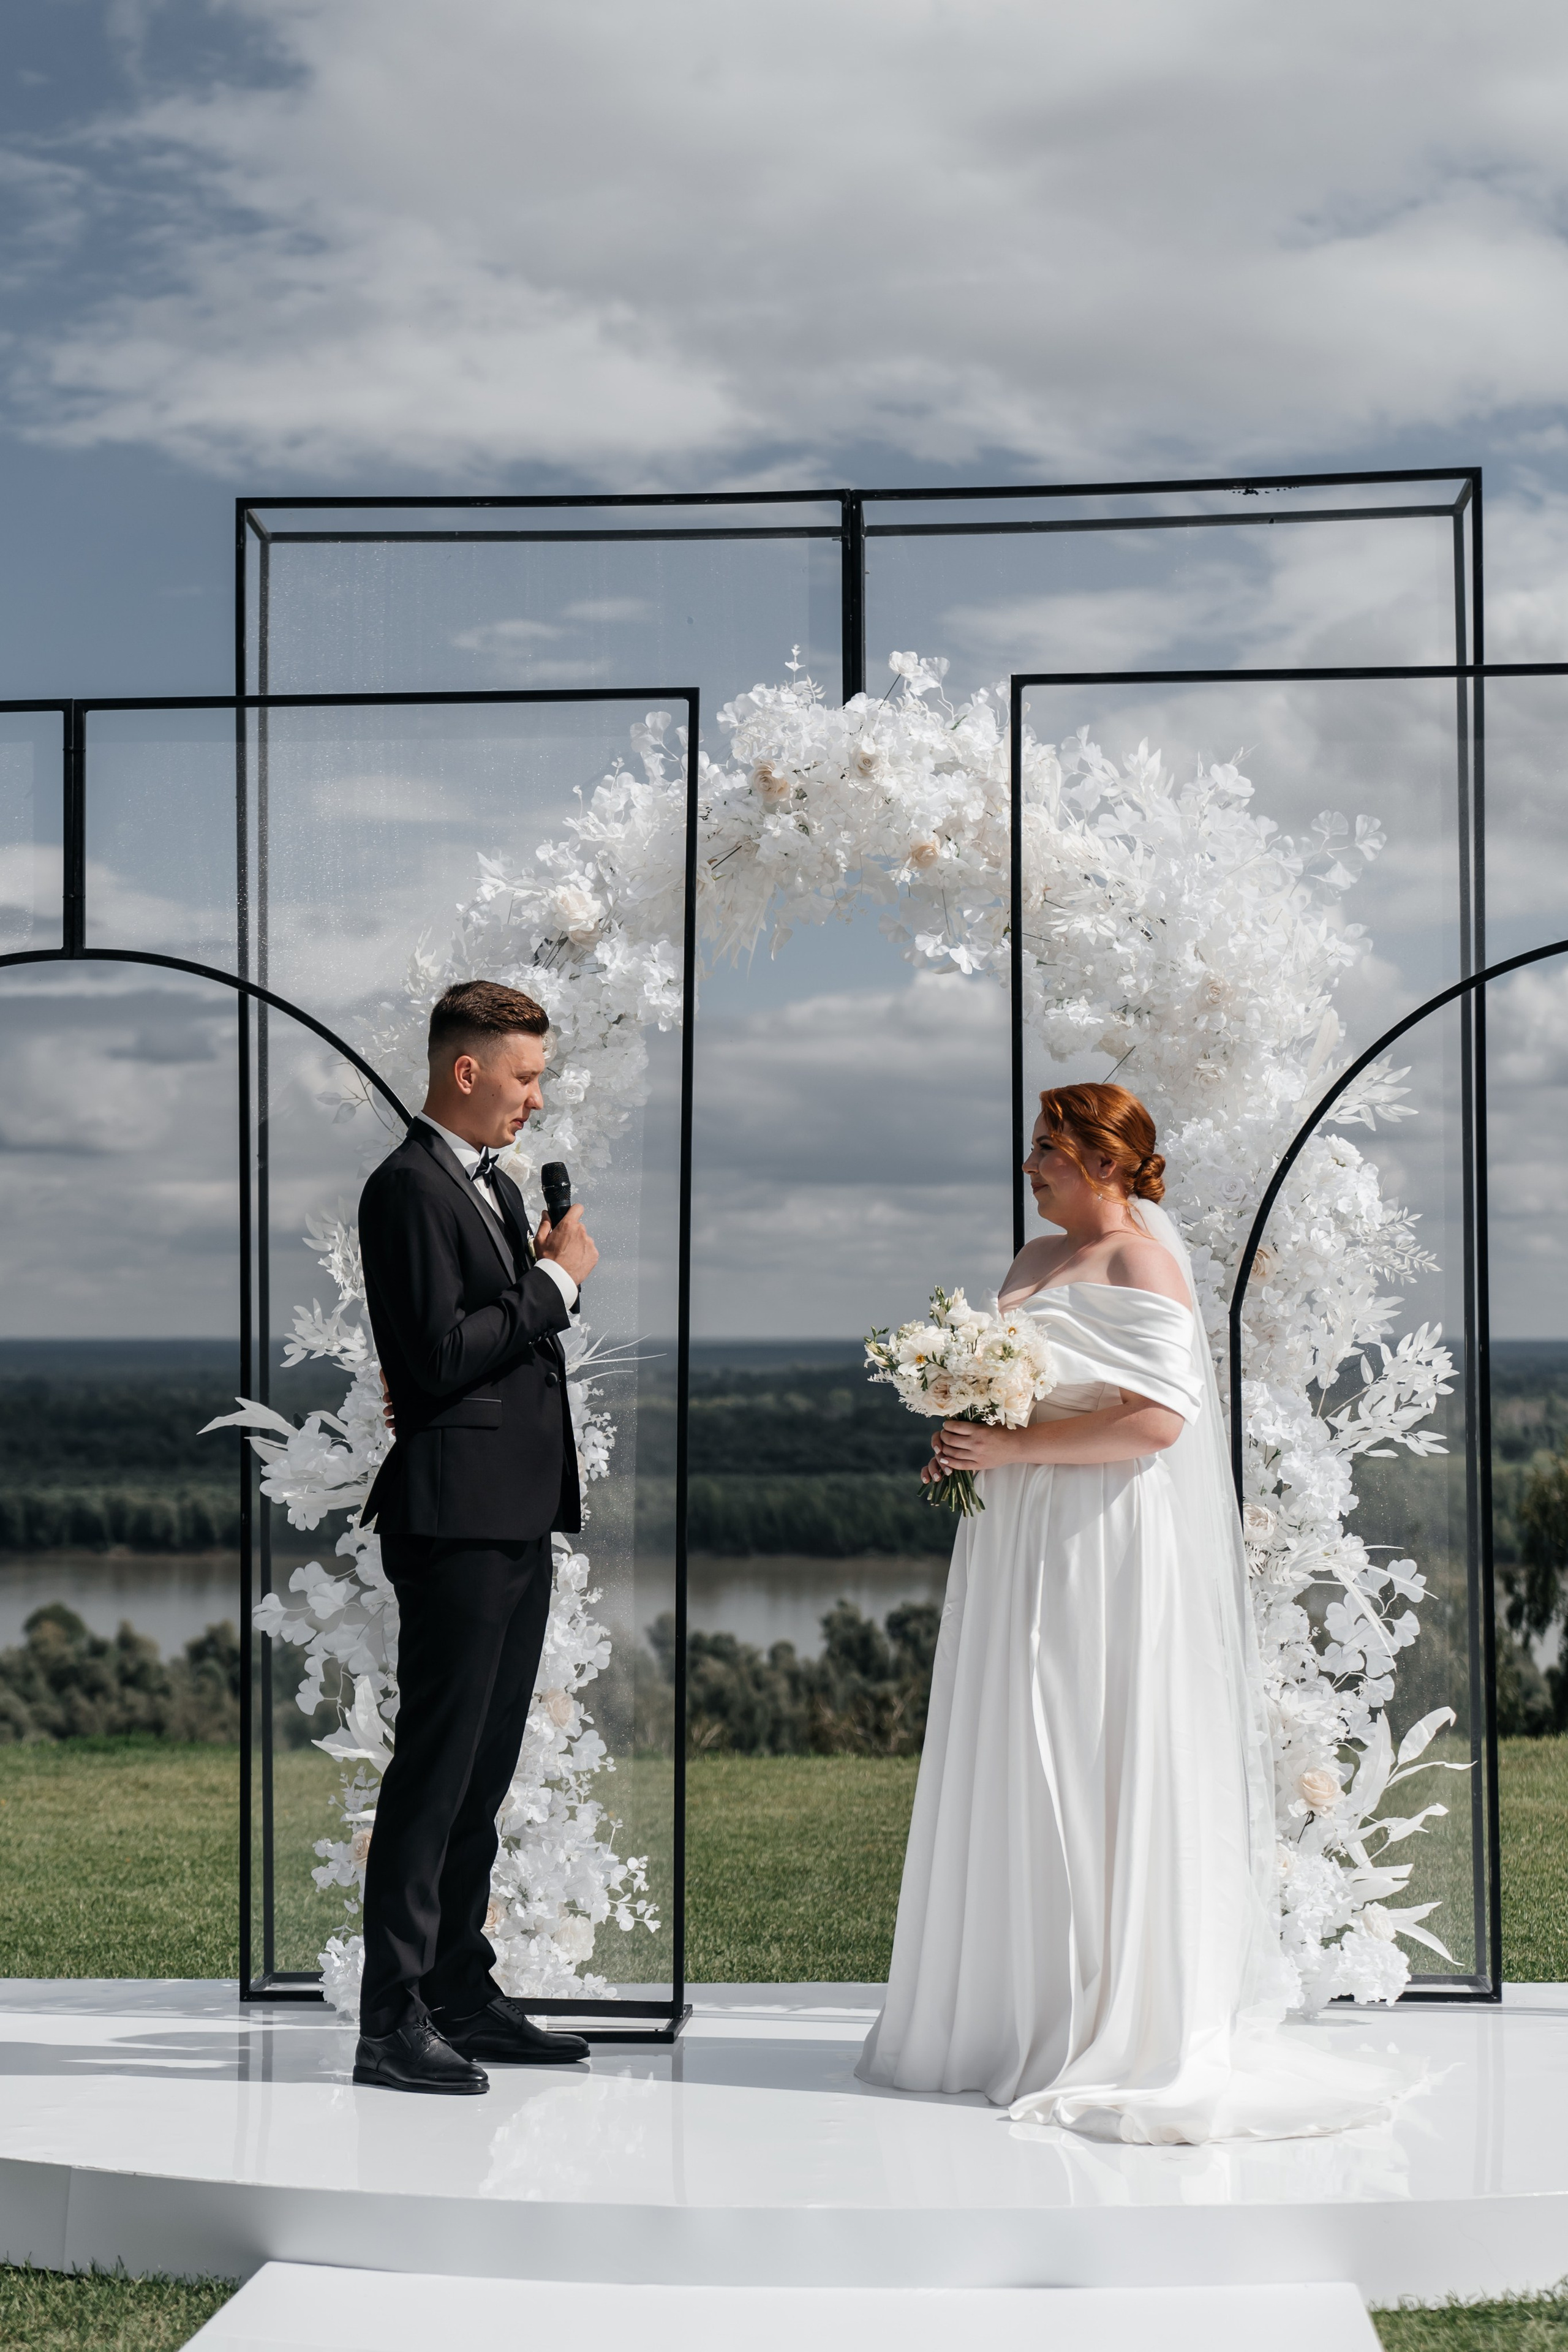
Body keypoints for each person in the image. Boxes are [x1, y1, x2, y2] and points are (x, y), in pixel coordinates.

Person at [856, 1083, 1409, 2142]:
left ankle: (1115, 2016)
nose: (1034, 1167)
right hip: (1015, 1532)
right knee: (1017, 1742)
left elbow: (1157, 1420)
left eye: (1050, 1152)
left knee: (1094, 1740)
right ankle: (1014, 2011)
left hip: (1103, 1535)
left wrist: (1015, 1448)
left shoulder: (1143, 1265)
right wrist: (966, 1440)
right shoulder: (1026, 1263)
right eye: (1035, 1150)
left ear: (1108, 1162)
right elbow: (1009, 1397)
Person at [352, 978, 600, 2096]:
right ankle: (390, 2022)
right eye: (524, 1076)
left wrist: (538, 1268)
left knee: (485, 1770)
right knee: (435, 1772)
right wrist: (555, 1281)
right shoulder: (406, 1187)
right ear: (467, 1071)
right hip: (454, 1521)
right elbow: (443, 1357)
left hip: (511, 1513)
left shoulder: (488, 1187)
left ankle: (459, 1987)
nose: (534, 1099)